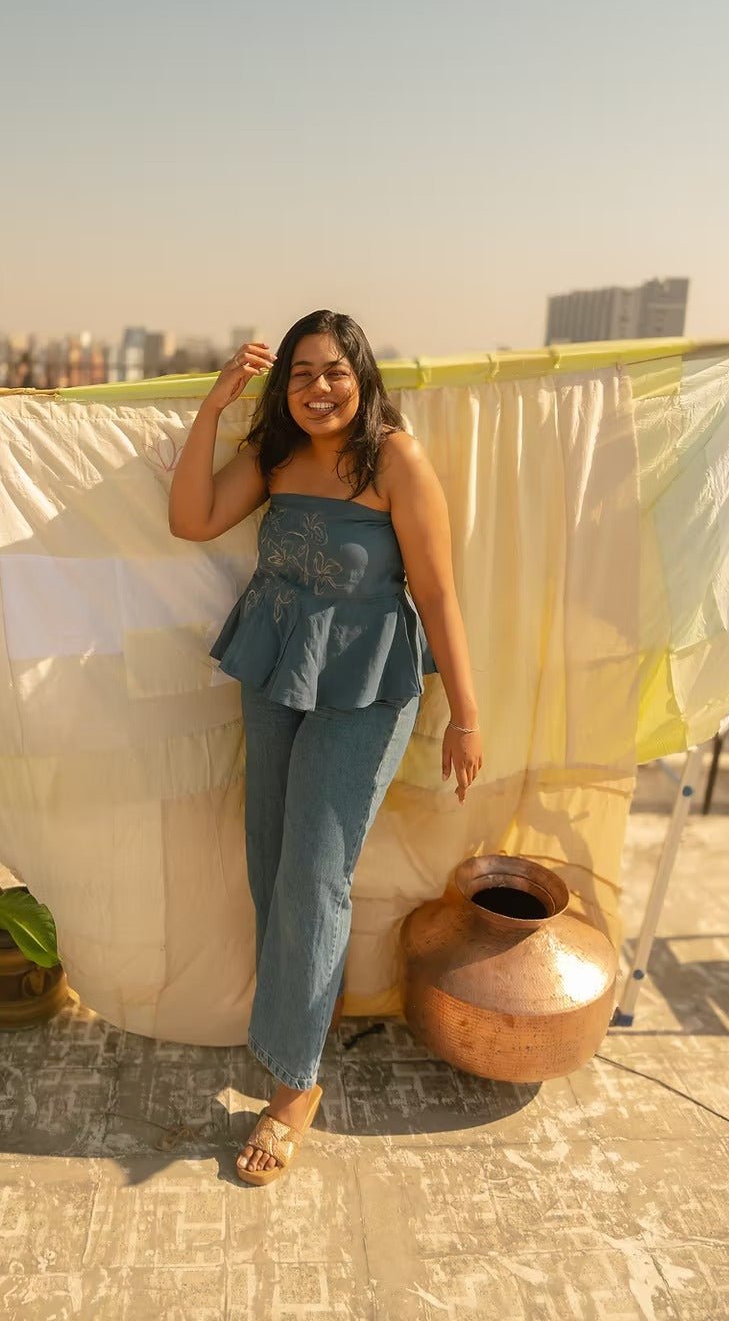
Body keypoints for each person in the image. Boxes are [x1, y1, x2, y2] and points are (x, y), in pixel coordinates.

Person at [168, 309, 482, 1185]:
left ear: (362, 375)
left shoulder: (395, 461)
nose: (317, 389)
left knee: (315, 870)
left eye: (334, 371)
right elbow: (190, 519)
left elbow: (441, 595)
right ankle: (294, 1028)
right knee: (271, 859)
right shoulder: (276, 457)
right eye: (300, 374)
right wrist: (212, 408)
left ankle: (294, 1086)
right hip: (275, 668)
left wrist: (466, 712)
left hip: (368, 684)